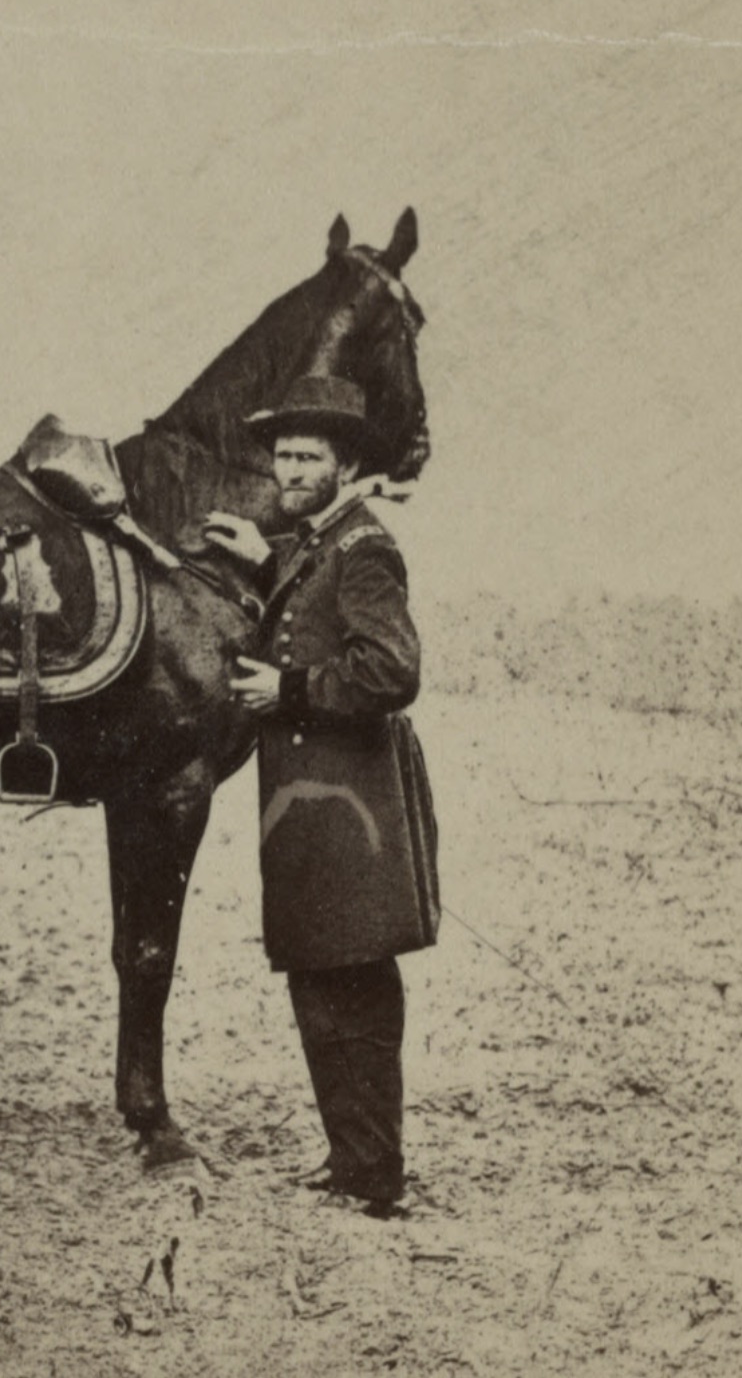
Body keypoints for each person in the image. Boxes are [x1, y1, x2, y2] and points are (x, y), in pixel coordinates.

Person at [204, 373, 439, 1219]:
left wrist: (292, 691)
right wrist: (265, 556)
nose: (291, 469)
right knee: (316, 978)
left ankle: (375, 1178)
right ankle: (349, 1158)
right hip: (310, 809)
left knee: (357, 982)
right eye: (284, 454)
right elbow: (308, 591)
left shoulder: (366, 547)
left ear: (345, 466)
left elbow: (392, 670)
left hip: (354, 809)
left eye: (309, 456)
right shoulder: (314, 543)